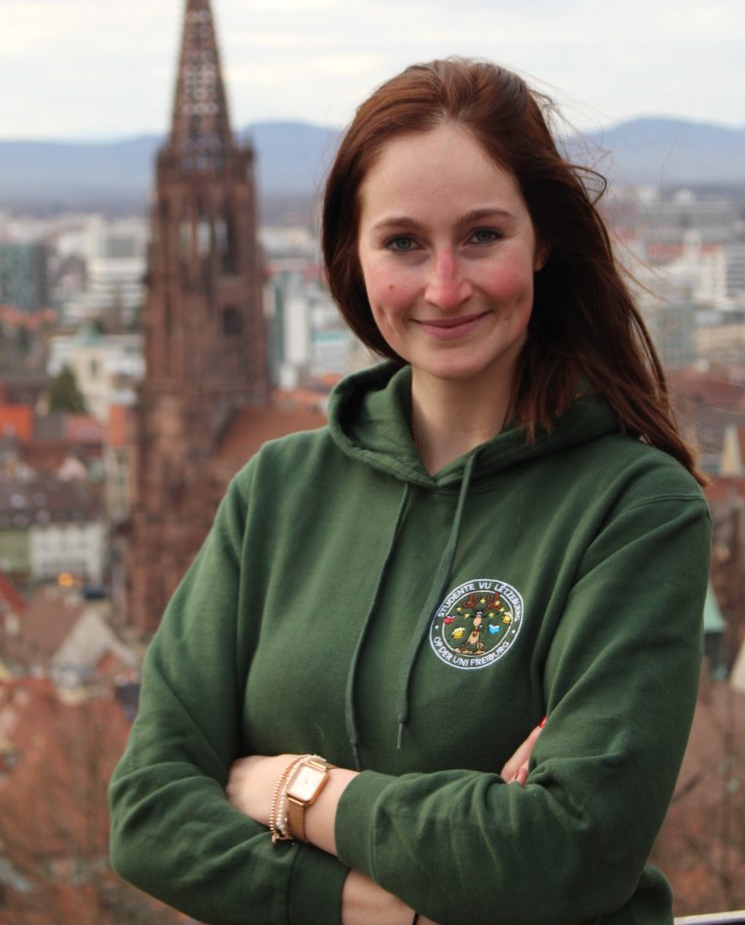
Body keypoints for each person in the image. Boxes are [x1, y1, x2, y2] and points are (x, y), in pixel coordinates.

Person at [109, 58, 711, 925]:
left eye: (482, 236)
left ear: (542, 240)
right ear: (351, 257)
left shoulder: (634, 508)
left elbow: (566, 851)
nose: (444, 287)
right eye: (402, 243)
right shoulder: (276, 490)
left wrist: (293, 790)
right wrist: (374, 905)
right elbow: (148, 813)